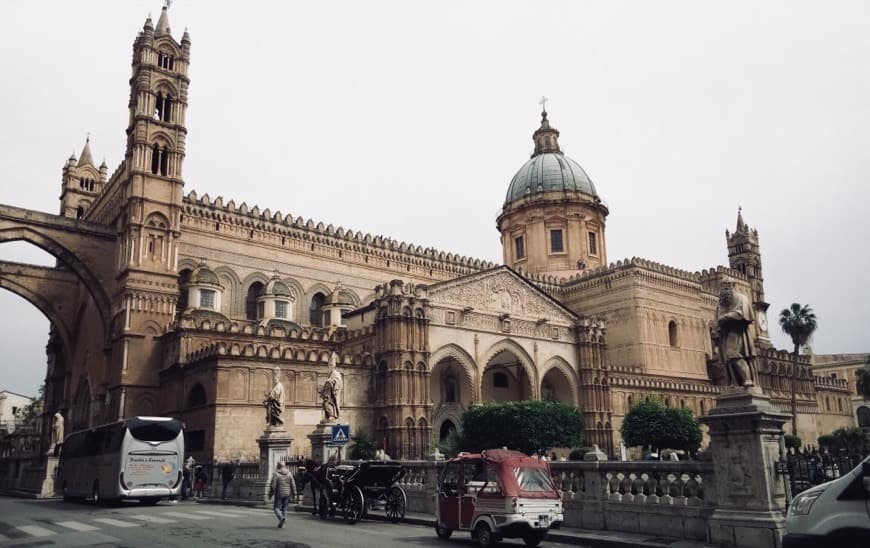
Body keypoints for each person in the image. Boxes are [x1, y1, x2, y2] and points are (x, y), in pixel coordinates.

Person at [715, 278, 759, 389]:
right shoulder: (721, 302)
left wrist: (727, 316)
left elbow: (743, 313)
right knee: (727, 360)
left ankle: (747, 379)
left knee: (733, 355)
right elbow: (717, 318)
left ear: (733, 286)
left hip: (737, 332)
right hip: (725, 334)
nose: (725, 289)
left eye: (728, 286)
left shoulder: (741, 298)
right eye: (723, 286)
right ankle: (735, 382)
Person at [268, 461, 297, 528]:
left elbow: (273, 486)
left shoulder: (276, 474)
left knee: (276, 508)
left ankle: (281, 518)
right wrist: (295, 493)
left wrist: (270, 495)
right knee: (284, 508)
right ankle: (282, 523)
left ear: (278, 466)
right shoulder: (289, 474)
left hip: (279, 493)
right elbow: (293, 485)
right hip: (287, 493)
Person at [320, 351, 343, 422]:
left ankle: (332, 416)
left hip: (333, 394)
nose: (329, 367)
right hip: (328, 394)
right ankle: (329, 416)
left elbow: (338, 382)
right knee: (325, 404)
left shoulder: (336, 374)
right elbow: (328, 382)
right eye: (329, 365)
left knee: (329, 404)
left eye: (331, 365)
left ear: (334, 366)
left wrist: (330, 383)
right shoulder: (330, 374)